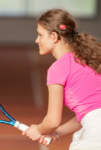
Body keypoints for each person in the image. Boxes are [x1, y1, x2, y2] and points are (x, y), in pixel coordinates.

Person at [22, 9, 101, 149]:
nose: (37, 40)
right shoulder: (89, 60)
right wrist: (56, 134)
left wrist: (39, 129)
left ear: (54, 36)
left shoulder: (57, 69)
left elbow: (52, 121)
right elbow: (88, 113)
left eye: (40, 35)